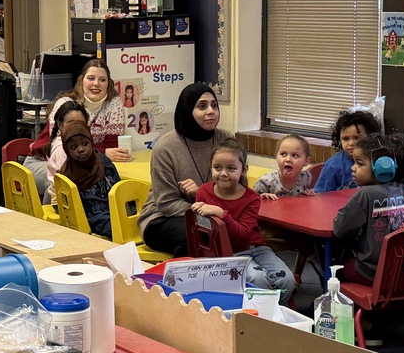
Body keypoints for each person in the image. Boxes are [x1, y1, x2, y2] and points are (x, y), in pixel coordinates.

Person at [191, 139, 296, 304]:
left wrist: (221, 214)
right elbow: (201, 233)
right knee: (259, 280)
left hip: (257, 248)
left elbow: (243, 235)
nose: (224, 173)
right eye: (217, 168)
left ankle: (275, 314)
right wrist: (197, 211)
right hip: (229, 253)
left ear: (243, 170)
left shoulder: (252, 198)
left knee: (288, 280)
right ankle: (264, 316)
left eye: (231, 168)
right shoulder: (204, 191)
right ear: (210, 167)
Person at [138, 83, 232, 258]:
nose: (211, 111)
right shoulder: (166, 147)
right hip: (162, 218)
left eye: (214, 105)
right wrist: (206, 210)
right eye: (202, 106)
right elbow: (166, 202)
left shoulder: (226, 140)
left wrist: (204, 199)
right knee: (197, 235)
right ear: (187, 110)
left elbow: (238, 186)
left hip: (214, 213)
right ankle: (179, 282)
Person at [24, 59, 129, 195]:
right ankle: (51, 215)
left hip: (86, 163)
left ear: (108, 84)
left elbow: (112, 146)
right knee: (61, 182)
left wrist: (103, 152)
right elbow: (62, 147)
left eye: (102, 80)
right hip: (45, 161)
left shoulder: (114, 104)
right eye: (91, 78)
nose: (96, 83)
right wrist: (103, 151)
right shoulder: (66, 104)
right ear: (82, 81)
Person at [333, 132, 404, 286]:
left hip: (372, 272)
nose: (353, 168)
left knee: (336, 267)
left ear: (381, 168)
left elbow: (340, 229)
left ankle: (330, 303)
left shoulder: (366, 194)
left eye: (360, 164)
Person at [57, 121, 120, 238]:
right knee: (115, 227)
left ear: (91, 143)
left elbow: (119, 190)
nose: (80, 149)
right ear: (67, 150)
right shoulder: (66, 173)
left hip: (114, 209)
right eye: (74, 147)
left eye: (85, 144)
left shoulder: (103, 162)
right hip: (90, 216)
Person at [314, 109, 383, 192]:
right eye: (345, 139)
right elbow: (321, 196)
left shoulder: (379, 161)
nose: (351, 143)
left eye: (357, 138)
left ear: (370, 137)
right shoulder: (332, 166)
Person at [44, 100, 89, 203]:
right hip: (64, 201)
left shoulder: (84, 143)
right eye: (71, 123)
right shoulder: (62, 149)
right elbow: (68, 184)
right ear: (60, 124)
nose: (76, 127)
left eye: (80, 123)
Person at [254, 134, 315, 199]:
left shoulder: (305, 178)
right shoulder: (265, 183)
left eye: (295, 155)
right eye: (283, 154)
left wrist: (306, 193)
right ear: (276, 157)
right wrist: (262, 199)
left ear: (306, 161)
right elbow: (251, 203)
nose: (288, 159)